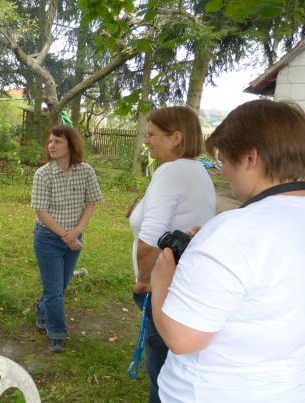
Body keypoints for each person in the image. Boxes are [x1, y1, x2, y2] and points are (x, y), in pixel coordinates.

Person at [151, 99, 305, 402]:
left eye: (223, 161)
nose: (223, 173)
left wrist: (162, 283)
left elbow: (182, 338)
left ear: (249, 158)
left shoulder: (234, 231)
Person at [128, 106, 216, 402]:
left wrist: (142, 282)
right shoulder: (197, 170)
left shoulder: (170, 171)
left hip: (162, 289)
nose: (146, 140)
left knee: (161, 377)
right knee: (172, 371)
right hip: (186, 285)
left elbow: (149, 241)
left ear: (175, 137)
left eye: (152, 134)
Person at [31, 125, 103, 353]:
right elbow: (41, 211)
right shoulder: (43, 174)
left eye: (57, 142)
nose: (51, 145)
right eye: (50, 141)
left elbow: (91, 202)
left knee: (59, 286)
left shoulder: (86, 171)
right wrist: (65, 235)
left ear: (71, 145)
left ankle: (42, 309)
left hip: (74, 237)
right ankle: (56, 333)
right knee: (54, 291)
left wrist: (77, 231)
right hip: (48, 239)